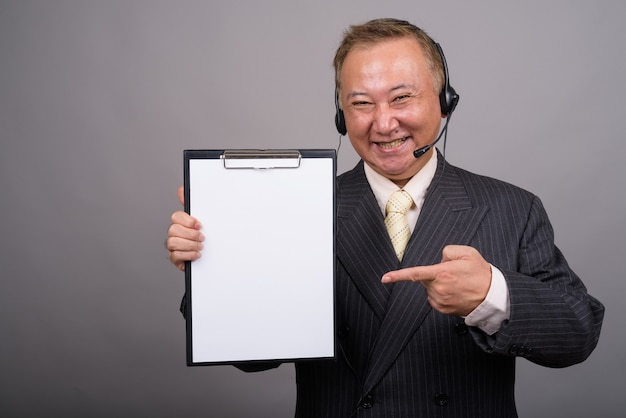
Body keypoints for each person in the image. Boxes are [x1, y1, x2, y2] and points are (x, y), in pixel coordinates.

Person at [166, 18, 604, 417]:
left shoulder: (513, 207)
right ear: (341, 116)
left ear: (445, 101)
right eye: (361, 103)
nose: (383, 123)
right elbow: (251, 357)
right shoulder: (295, 207)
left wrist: (490, 294)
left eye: (401, 97)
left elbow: (578, 335)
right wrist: (214, 267)